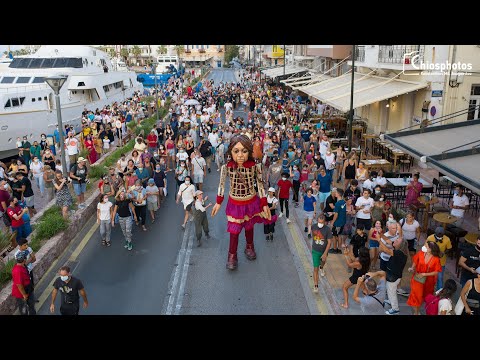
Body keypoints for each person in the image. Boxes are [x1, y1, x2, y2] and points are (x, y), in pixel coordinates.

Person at [211, 134, 275, 270]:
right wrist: (218, 202)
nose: (240, 155)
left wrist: (264, 204)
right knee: (234, 231)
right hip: (235, 202)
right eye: (236, 151)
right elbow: (221, 185)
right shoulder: (226, 167)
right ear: (231, 152)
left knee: (249, 226)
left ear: (249, 152)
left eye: (244, 151)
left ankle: (249, 246)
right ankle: (232, 255)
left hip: (251, 200)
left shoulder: (255, 167)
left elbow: (260, 185)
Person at [406, 241, 442, 315]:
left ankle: (419, 309)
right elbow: (415, 261)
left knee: (424, 296)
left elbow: (436, 272)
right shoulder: (421, 253)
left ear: (430, 249)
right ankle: (416, 312)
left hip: (429, 282)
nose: (423, 247)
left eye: (426, 246)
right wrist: (412, 268)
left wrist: (425, 274)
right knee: (416, 296)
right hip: (418, 279)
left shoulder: (436, 259)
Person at [378, 238, 407, 315]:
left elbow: (386, 250)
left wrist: (379, 239)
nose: (395, 241)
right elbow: (387, 240)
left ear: (401, 245)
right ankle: (391, 301)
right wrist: (381, 235)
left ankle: (395, 309)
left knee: (392, 293)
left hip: (393, 277)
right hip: (392, 276)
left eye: (397, 241)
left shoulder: (399, 253)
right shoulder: (399, 251)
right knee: (390, 290)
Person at [311, 214, 333, 293]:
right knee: (315, 269)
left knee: (323, 262)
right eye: (319, 222)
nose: (320, 224)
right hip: (315, 251)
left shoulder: (327, 230)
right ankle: (316, 285)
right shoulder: (313, 226)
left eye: (322, 222)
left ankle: (322, 267)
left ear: (325, 222)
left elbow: (329, 242)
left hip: (324, 251)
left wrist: (325, 254)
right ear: (317, 221)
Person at [426, 226, 452, 291]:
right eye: (438, 235)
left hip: (441, 262)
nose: (439, 237)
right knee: (429, 277)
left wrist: (443, 253)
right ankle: (428, 290)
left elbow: (449, 248)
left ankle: (439, 292)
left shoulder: (447, 239)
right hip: (430, 260)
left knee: (440, 277)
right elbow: (426, 247)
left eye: (441, 236)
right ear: (435, 233)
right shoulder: (430, 238)